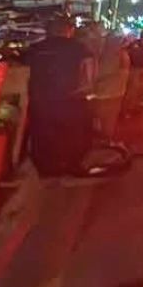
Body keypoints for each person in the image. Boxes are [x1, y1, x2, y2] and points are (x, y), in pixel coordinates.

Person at [26, 16, 96, 176]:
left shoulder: (36, 48)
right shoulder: (80, 48)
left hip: (42, 101)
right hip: (71, 100)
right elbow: (88, 74)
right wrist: (86, 91)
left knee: (43, 134)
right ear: (69, 30)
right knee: (73, 134)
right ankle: (72, 165)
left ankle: (46, 168)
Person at [123, 30, 143, 115]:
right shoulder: (134, 43)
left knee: (141, 90)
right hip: (135, 69)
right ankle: (127, 109)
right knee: (132, 90)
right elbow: (127, 52)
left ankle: (136, 107)